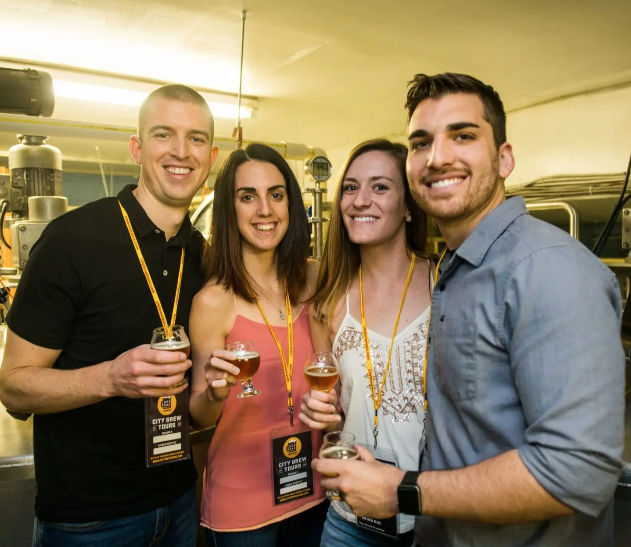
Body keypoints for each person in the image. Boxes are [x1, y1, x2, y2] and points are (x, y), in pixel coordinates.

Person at [312, 72, 625, 546]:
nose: (438, 157)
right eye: (421, 142)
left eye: (462, 135)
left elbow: (575, 471)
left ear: (504, 158)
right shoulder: (461, 272)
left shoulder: (547, 267)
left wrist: (405, 491)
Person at [0, 84, 218, 546]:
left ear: (212, 156)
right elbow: (14, 387)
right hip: (90, 520)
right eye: (164, 134)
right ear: (137, 148)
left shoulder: (202, 256)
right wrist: (111, 378)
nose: (181, 151)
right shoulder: (71, 240)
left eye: (196, 138)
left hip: (180, 500)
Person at [188, 143, 327, 546]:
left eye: (276, 195)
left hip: (315, 493)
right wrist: (215, 391)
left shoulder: (314, 278)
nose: (265, 210)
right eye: (248, 197)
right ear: (230, 210)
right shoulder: (213, 301)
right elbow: (200, 415)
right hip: (242, 510)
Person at [299, 139, 432, 547]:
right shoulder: (331, 301)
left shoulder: (446, 284)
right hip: (350, 521)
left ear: (409, 206)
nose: (360, 200)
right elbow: (337, 416)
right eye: (351, 187)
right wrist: (322, 414)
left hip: (435, 519)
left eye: (379, 187)